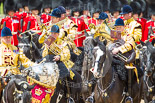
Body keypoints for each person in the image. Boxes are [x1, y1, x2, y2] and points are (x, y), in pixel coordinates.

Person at [0, 27, 34, 93]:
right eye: (5, 37)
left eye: (9, 37)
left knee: (27, 86)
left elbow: (25, 61)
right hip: (2, 74)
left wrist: (35, 65)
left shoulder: (15, 49)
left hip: (16, 74)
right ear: (1, 38)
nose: (8, 39)